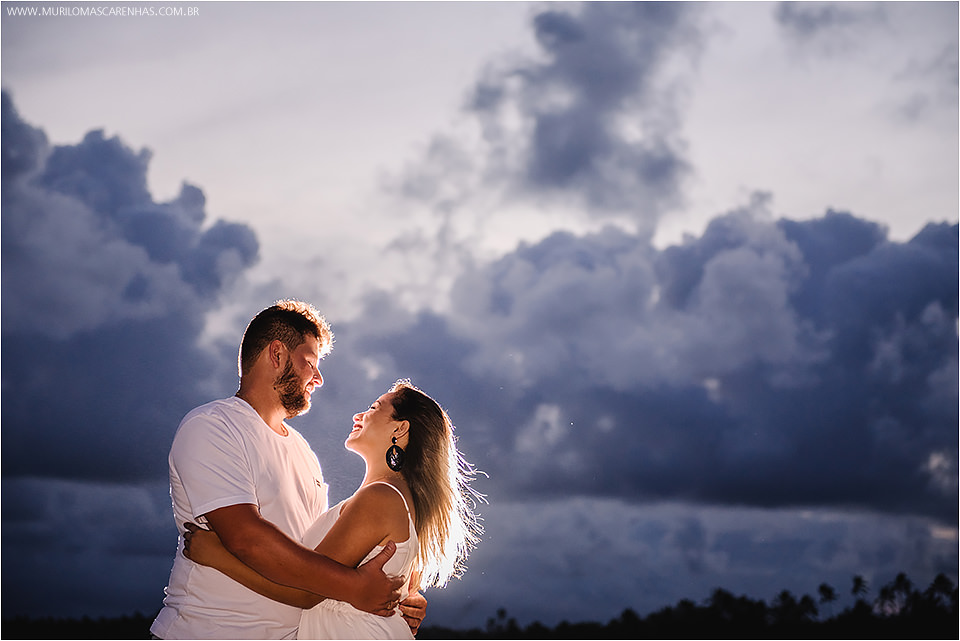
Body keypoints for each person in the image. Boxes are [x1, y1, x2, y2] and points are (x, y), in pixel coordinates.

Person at [150, 300, 427, 639]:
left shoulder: (304, 453)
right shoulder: (213, 426)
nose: (318, 378)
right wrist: (355, 587)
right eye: (310, 362)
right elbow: (247, 539)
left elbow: (317, 559)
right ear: (277, 354)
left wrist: (400, 596)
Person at [182, 379, 483, 639]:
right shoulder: (389, 498)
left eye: (374, 408)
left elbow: (306, 592)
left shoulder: (381, 497)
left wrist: (216, 555)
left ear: (400, 429)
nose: (359, 415)